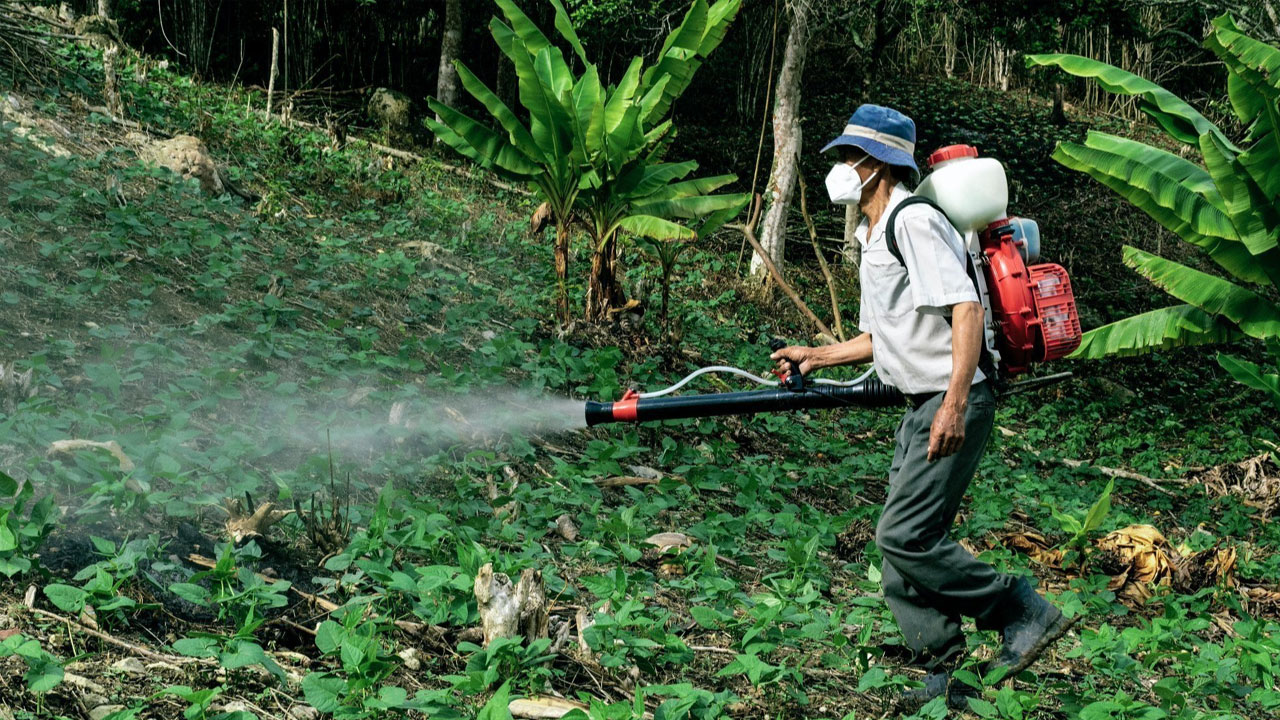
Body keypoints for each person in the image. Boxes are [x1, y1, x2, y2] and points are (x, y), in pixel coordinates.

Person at [770, 105, 1075, 710]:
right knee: (900, 549)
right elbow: (883, 333)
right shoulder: (871, 232)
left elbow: (966, 309)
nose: (837, 168)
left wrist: (954, 405)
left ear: (877, 165)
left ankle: (1021, 607)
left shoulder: (912, 222)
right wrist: (818, 355)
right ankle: (943, 675)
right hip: (919, 403)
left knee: (903, 534)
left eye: (846, 158)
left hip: (952, 398)